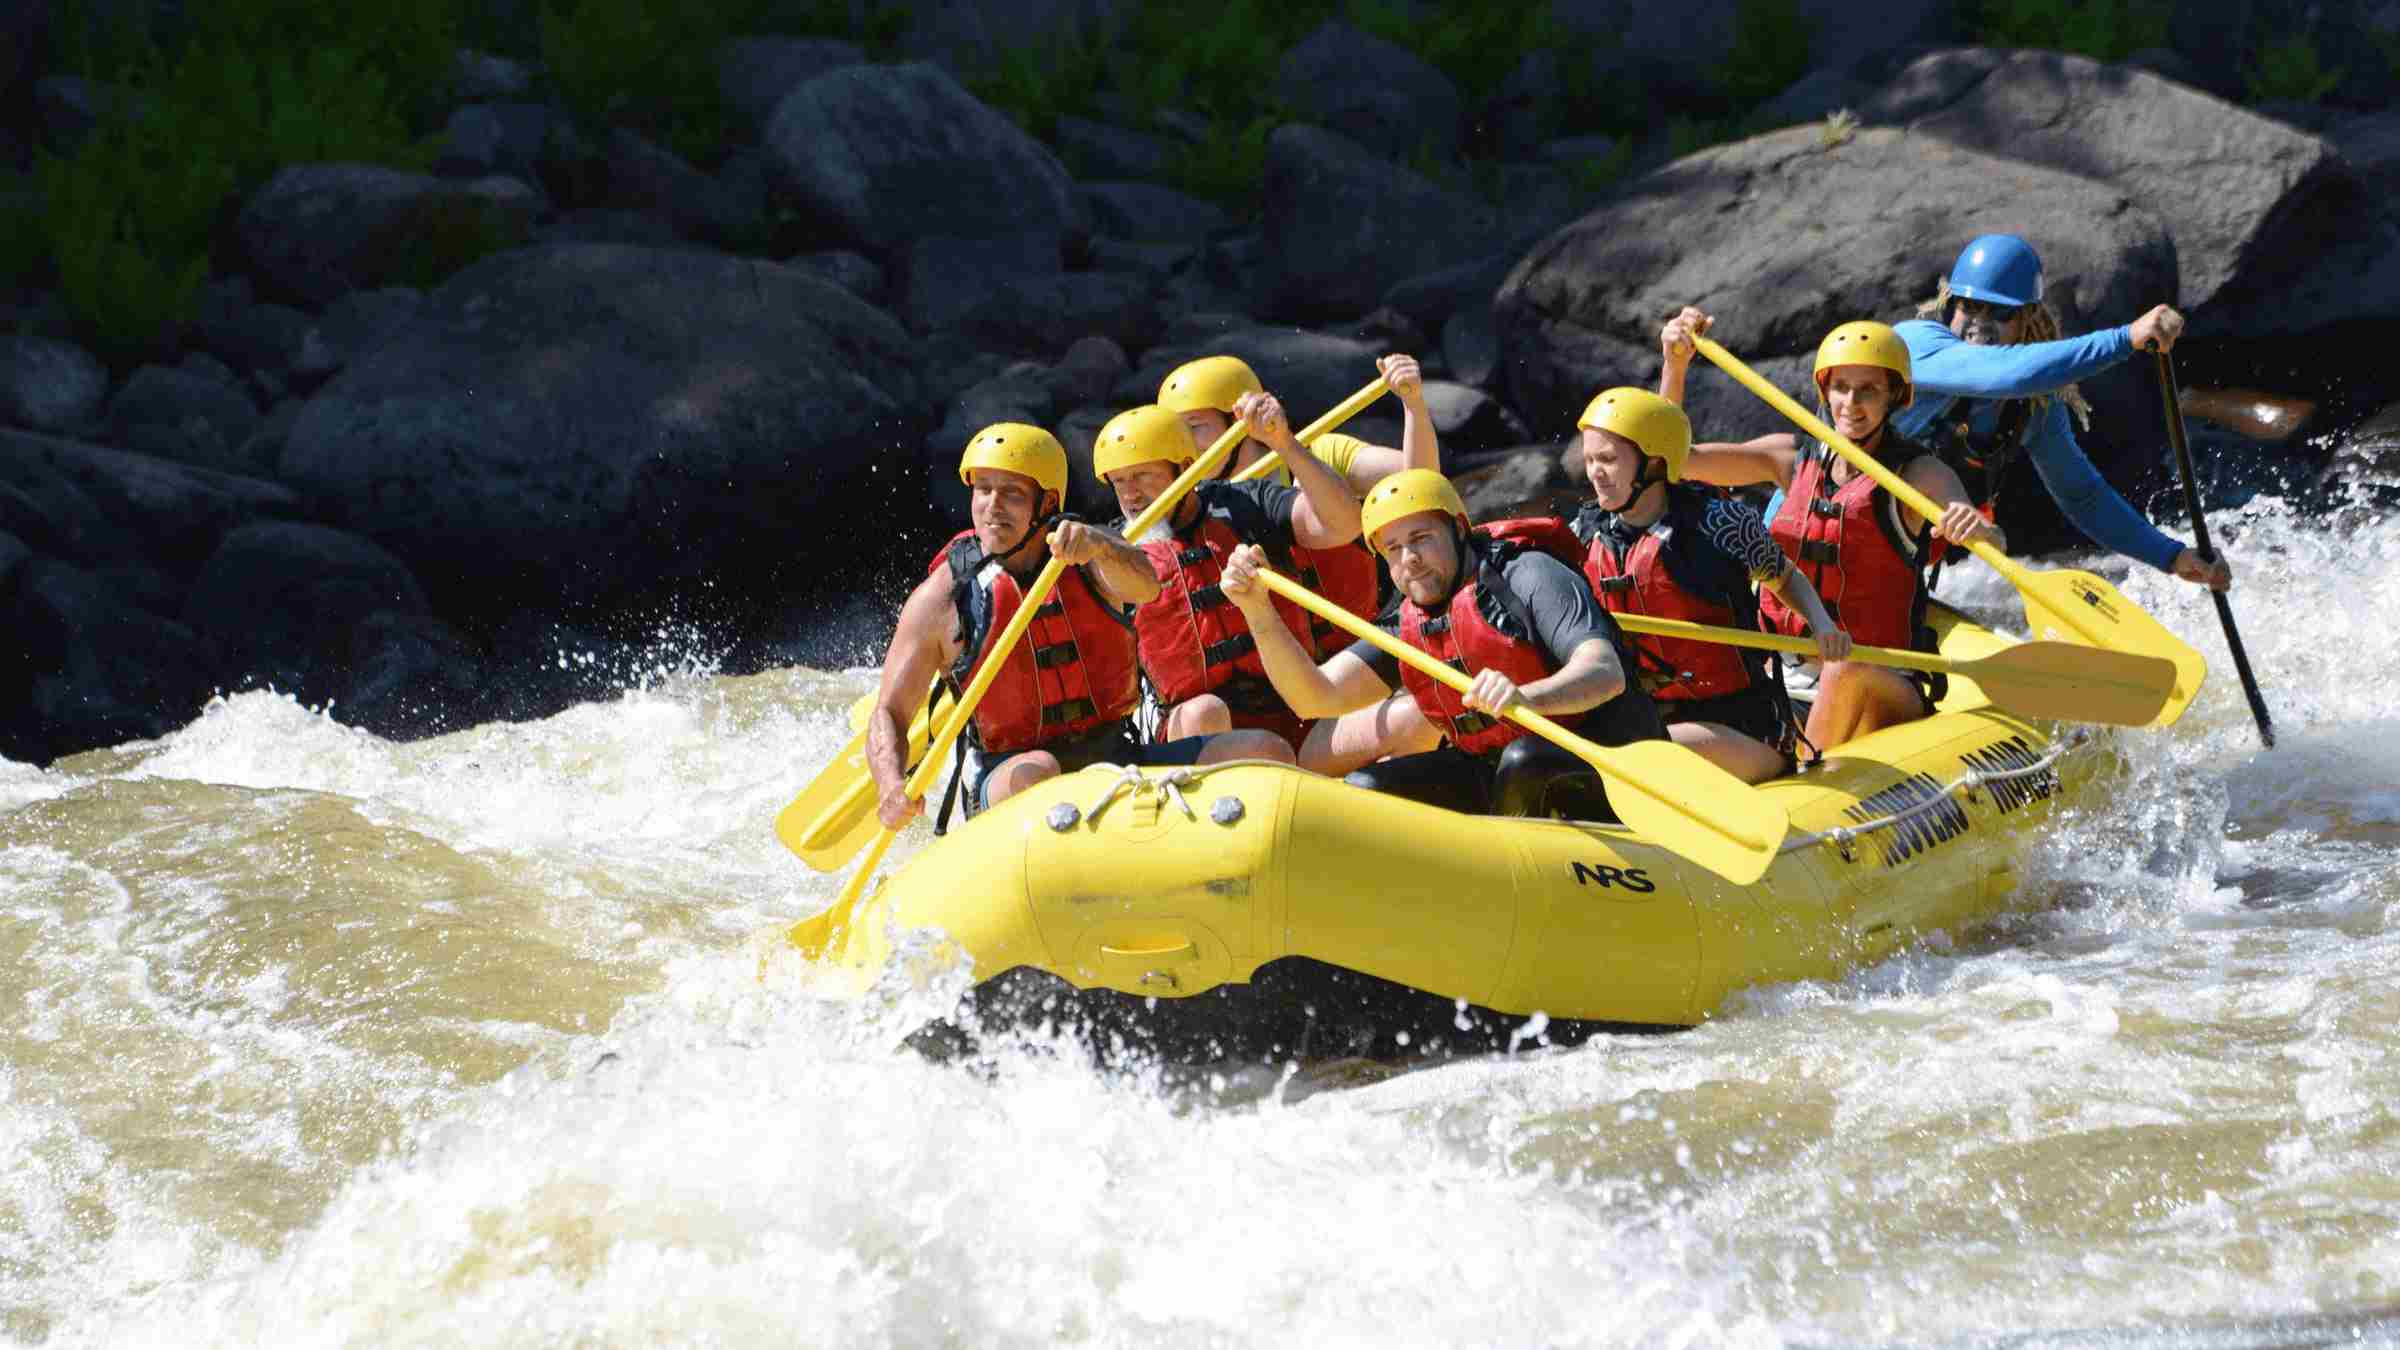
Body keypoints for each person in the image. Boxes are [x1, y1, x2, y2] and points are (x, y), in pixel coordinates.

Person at [867, 424, 1291, 830]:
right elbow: (889, 711)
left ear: (1048, 503)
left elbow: (1145, 585)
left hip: (1117, 756)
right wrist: (890, 783)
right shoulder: (941, 599)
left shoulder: (1091, 557)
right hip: (1009, 773)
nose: (992, 507)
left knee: (1267, 750)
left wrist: (1101, 546)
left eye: (1011, 493)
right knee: (1042, 772)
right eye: (983, 490)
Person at [1218, 469, 1665, 819]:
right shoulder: (1408, 620)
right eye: (1392, 549)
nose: (1409, 560)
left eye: (1421, 539)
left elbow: (1604, 673)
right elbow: (1314, 697)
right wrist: (1257, 609)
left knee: (1523, 761)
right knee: (1365, 790)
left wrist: (1526, 697)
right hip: (1498, 771)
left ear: (1456, 528)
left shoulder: (1528, 575)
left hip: (1610, 762)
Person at [1674, 316, 2000, 752]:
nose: (1852, 402)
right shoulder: (1790, 459)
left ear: (1894, 398)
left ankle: (1809, 773)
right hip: (1783, 672)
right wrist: (1674, 366)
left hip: (1881, 676)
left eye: (1869, 389)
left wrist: (1973, 526)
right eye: (1841, 387)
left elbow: (1989, 538)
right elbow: (1673, 460)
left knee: (1841, 669)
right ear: (1825, 391)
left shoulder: (1917, 474)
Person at [1895, 233, 2232, 591]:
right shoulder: (1914, 345)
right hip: (1843, 528)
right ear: (1950, 305)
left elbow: (2083, 496)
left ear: (2027, 320)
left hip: (1903, 558)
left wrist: (2172, 557)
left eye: (2001, 312)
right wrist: (2125, 338)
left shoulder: (2034, 406)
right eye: (1969, 306)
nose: (1979, 321)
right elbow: (2002, 374)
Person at [1569, 383, 1849, 784]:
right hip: (1645, 718)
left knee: (1649, 750)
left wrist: (1821, 623)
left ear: (1653, 463)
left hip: (1744, 728)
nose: (1595, 472)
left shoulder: (1720, 523)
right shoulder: (1585, 532)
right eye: (1590, 459)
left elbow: (1784, 575)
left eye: (1609, 459)